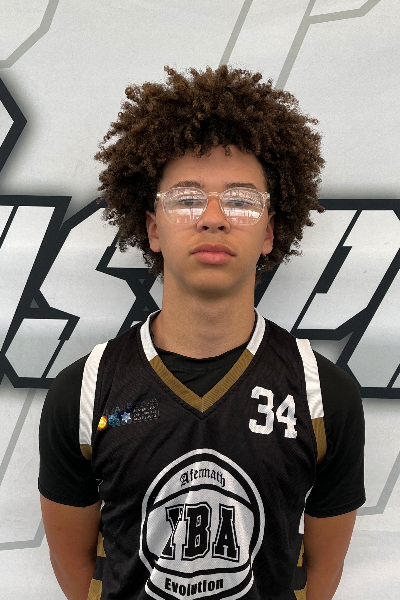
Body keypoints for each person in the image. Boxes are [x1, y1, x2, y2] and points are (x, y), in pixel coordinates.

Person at [39, 65, 365, 600]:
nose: (213, 218)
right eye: (187, 198)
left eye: (241, 200)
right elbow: (75, 569)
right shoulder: (83, 393)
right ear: (152, 227)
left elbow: (322, 573)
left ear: (269, 232)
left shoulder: (323, 395)